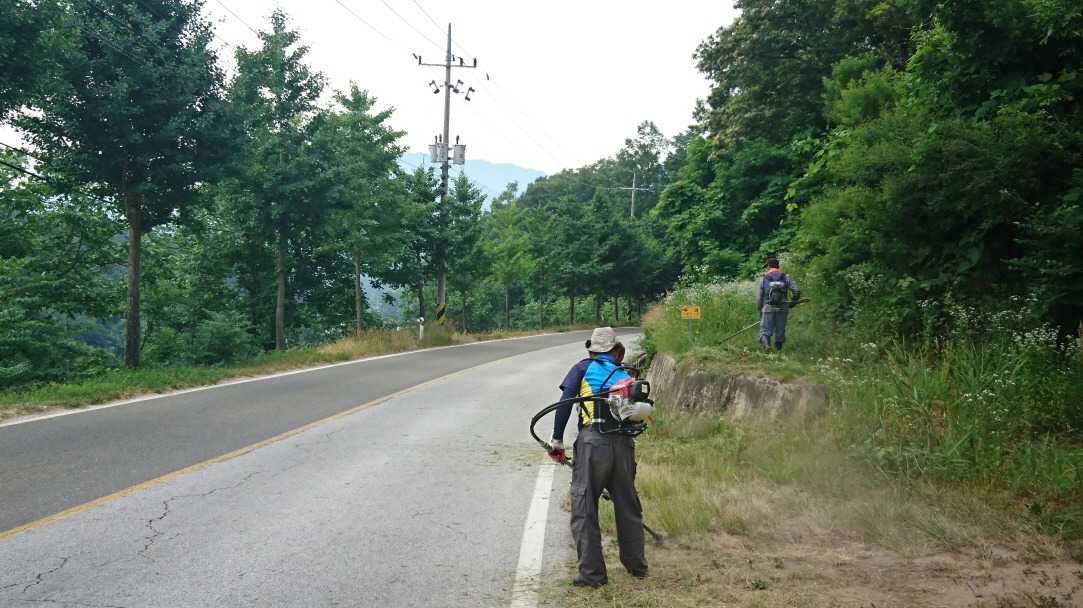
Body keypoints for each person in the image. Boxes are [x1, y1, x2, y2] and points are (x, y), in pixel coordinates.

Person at [548, 327, 648, 587]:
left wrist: (556, 441)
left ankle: (593, 575)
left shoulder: (582, 368)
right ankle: (637, 567)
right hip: (624, 443)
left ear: (591, 350)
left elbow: (564, 403)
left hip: (593, 442)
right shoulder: (624, 373)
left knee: (584, 508)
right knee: (627, 505)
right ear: (616, 351)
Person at [756, 258, 800, 352]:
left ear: (768, 266)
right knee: (780, 331)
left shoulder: (764, 279)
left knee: (765, 330)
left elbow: (759, 298)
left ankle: (767, 346)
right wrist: (792, 303)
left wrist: (760, 310)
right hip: (783, 307)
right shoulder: (786, 277)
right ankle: (778, 352)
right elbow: (796, 291)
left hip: (768, 308)